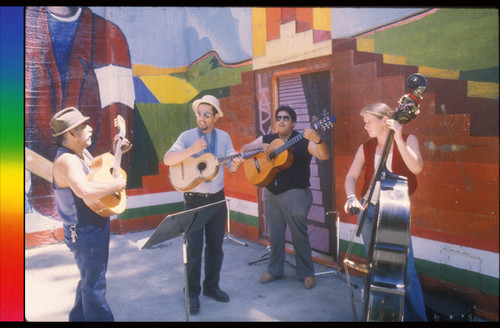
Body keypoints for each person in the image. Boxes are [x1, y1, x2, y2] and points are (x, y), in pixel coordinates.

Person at [343, 102, 427, 321]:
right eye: (364, 122)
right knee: (376, 269)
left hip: (395, 211)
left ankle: (417, 318)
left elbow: (417, 167)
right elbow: (351, 176)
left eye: (369, 122)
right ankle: (382, 315)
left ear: (384, 120)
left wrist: (398, 137)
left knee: (406, 272)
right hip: (368, 209)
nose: (365, 127)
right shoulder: (366, 147)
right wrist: (351, 196)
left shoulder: (408, 140)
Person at [163, 95, 243, 315]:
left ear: (215, 116)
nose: (201, 118)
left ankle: (211, 287)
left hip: (217, 199)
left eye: (207, 114)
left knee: (216, 247)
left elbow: (231, 168)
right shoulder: (187, 136)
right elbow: (168, 159)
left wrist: (235, 164)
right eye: (199, 113)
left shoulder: (224, 137)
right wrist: (192, 149)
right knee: (194, 248)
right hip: (194, 200)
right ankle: (192, 293)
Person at [51, 106, 132, 321]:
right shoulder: (67, 160)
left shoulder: (80, 154)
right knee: (95, 286)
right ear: (70, 133)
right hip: (84, 231)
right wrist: (116, 184)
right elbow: (84, 190)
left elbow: (96, 175)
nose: (90, 128)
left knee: (90, 279)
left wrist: (117, 151)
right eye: (83, 126)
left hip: (93, 226)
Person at [244, 105, 330, 289]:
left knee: (299, 235)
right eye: (278, 118)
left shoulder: (303, 140)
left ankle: (306, 273)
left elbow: (324, 155)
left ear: (293, 122)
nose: (281, 121)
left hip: (295, 193)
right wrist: (260, 147)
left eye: (285, 118)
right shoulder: (267, 139)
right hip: (271, 193)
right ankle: (274, 270)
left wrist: (319, 140)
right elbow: (245, 151)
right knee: (275, 235)